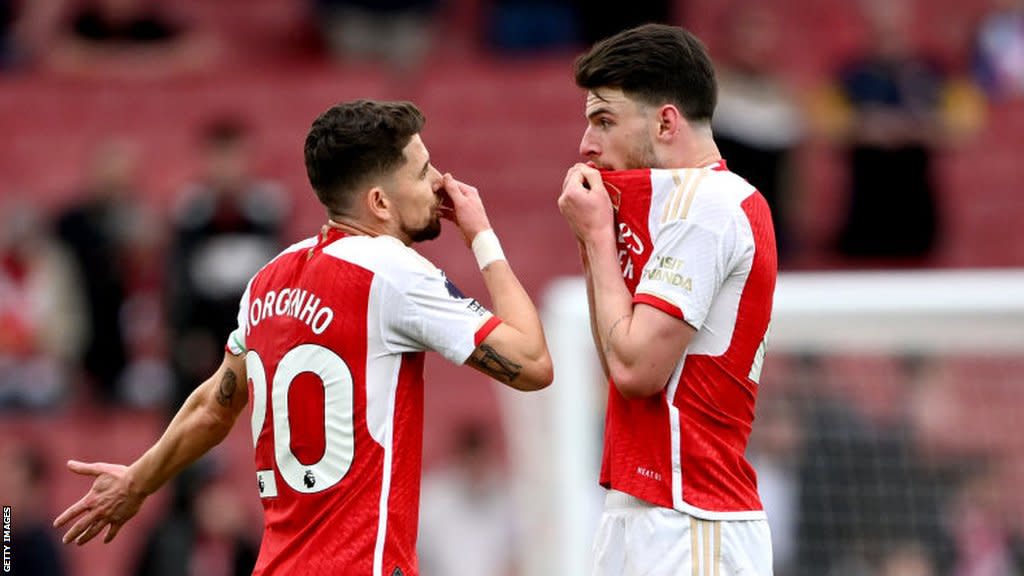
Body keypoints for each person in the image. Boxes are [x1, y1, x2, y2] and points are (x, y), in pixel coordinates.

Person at [53, 99, 554, 576]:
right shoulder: (393, 271)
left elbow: (215, 403)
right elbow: (531, 364)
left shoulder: (268, 279)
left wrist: (138, 482)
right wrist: (482, 236)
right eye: (423, 171)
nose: (441, 183)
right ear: (379, 201)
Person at [557, 24, 777, 575]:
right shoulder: (676, 209)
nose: (586, 143)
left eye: (604, 120)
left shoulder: (712, 205)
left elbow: (634, 370)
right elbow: (616, 353)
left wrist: (598, 239)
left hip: (692, 515)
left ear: (666, 121)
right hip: (646, 508)